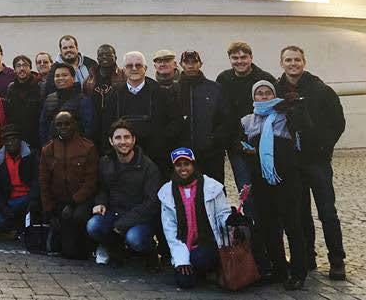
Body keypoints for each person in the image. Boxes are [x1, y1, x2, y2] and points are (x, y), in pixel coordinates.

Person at [276, 45, 347, 280]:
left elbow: (337, 122)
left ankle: (337, 260)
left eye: (296, 59)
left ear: (303, 62)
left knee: (327, 211)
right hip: (292, 163)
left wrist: (322, 147)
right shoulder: (276, 90)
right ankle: (308, 256)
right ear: (282, 63)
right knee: (300, 212)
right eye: (288, 60)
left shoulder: (320, 89)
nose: (293, 63)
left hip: (316, 161)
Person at [240, 80, 308, 290]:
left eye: (268, 93)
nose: (264, 97)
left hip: (287, 179)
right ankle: (278, 269)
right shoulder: (247, 121)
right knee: (268, 226)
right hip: (261, 180)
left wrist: (294, 107)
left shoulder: (286, 115)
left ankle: (298, 272)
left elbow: (305, 126)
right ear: (253, 98)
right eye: (259, 93)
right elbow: (238, 144)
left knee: (293, 226)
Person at [87, 120, 161, 266]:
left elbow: (151, 203)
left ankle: (151, 252)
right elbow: (102, 188)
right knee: (93, 225)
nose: (123, 142)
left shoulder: (148, 167)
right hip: (114, 214)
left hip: (139, 218)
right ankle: (114, 248)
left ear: (134, 140)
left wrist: (122, 224)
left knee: (135, 239)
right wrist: (100, 202)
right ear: (111, 141)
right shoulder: (105, 162)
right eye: (118, 138)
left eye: (127, 137)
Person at [215, 41, 276, 218]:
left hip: (263, 144)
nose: (240, 61)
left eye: (243, 57)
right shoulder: (223, 79)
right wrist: (234, 142)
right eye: (235, 58)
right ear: (229, 59)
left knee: (268, 191)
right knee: (246, 192)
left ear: (251, 58)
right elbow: (223, 114)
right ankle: (254, 234)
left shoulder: (265, 78)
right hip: (237, 146)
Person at [158, 148, 231, 289]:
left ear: (193, 165)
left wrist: (229, 220)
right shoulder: (167, 192)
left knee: (200, 258)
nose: (183, 168)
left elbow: (222, 212)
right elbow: (170, 229)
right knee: (185, 282)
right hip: (183, 244)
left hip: (206, 242)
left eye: (187, 164)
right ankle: (195, 271)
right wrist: (181, 260)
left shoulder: (211, 186)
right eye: (178, 165)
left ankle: (209, 268)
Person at [101, 51, 182, 170]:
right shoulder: (114, 95)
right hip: (122, 161)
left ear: (145, 68)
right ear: (123, 70)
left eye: (138, 65)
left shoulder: (161, 93)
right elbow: (106, 127)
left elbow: (176, 122)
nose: (134, 68)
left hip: (156, 161)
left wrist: (160, 143)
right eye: (129, 66)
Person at [40, 111, 98, 259]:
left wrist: (73, 203)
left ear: (74, 125)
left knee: (77, 217)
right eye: (59, 124)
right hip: (59, 203)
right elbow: (44, 181)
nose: (63, 127)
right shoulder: (48, 150)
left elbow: (91, 182)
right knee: (66, 252)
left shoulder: (88, 148)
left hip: (81, 202)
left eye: (67, 123)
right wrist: (50, 209)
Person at [172, 50, 227, 182]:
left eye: (194, 62)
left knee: (214, 191)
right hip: (183, 156)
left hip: (211, 154)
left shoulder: (215, 88)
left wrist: (214, 141)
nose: (191, 66)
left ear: (200, 64)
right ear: (180, 64)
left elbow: (225, 119)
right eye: (187, 62)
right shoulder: (173, 90)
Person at [0, 125, 37, 235]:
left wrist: (33, 199)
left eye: (13, 139)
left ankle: (20, 225)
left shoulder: (31, 155)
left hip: (27, 198)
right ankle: (17, 224)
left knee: (32, 210)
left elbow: (37, 181)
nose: (10, 143)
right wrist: (3, 208)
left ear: (20, 140)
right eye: (6, 140)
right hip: (9, 200)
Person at [40, 62, 94, 145]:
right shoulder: (49, 99)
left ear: (73, 78)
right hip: (54, 150)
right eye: (57, 76)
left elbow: (89, 127)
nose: (60, 78)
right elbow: (43, 126)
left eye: (64, 75)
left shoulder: (83, 99)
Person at [82, 44, 125, 145]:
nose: (104, 57)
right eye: (101, 55)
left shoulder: (124, 76)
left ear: (115, 57)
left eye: (108, 55)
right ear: (97, 58)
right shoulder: (89, 80)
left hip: (115, 123)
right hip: (95, 125)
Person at [4, 54, 42, 150]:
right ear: (14, 70)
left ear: (30, 68)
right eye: (18, 66)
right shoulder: (11, 89)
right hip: (18, 138)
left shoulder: (39, 86)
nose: (21, 68)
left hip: (36, 137)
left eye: (25, 65)